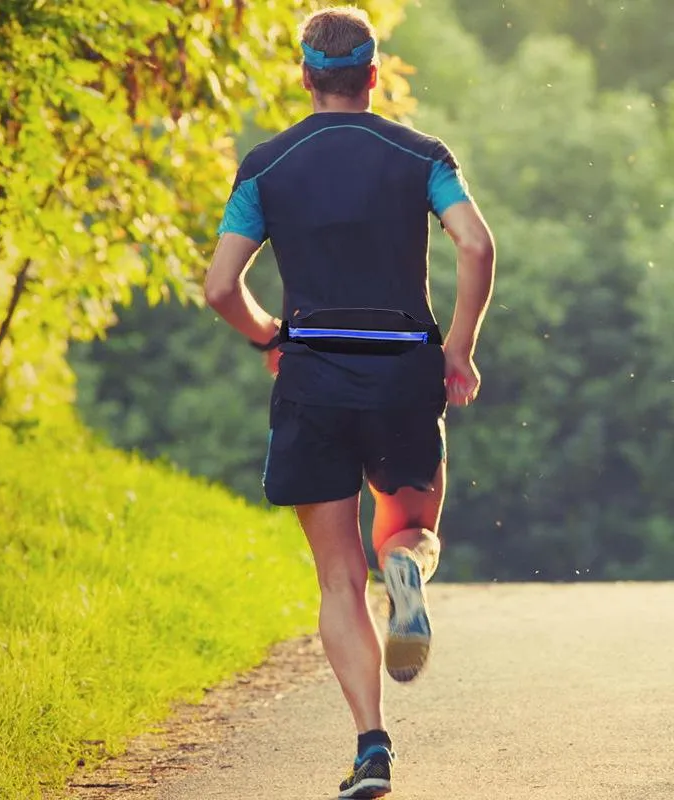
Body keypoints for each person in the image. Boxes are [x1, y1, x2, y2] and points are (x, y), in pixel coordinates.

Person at [204, 6, 495, 798]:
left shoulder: (268, 165)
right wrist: (458, 349)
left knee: (338, 580)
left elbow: (220, 287)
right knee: (409, 527)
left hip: (313, 379)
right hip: (404, 373)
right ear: (372, 75)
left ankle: (372, 747)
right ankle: (406, 569)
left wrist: (270, 337)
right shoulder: (420, 154)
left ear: (305, 75)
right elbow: (476, 244)